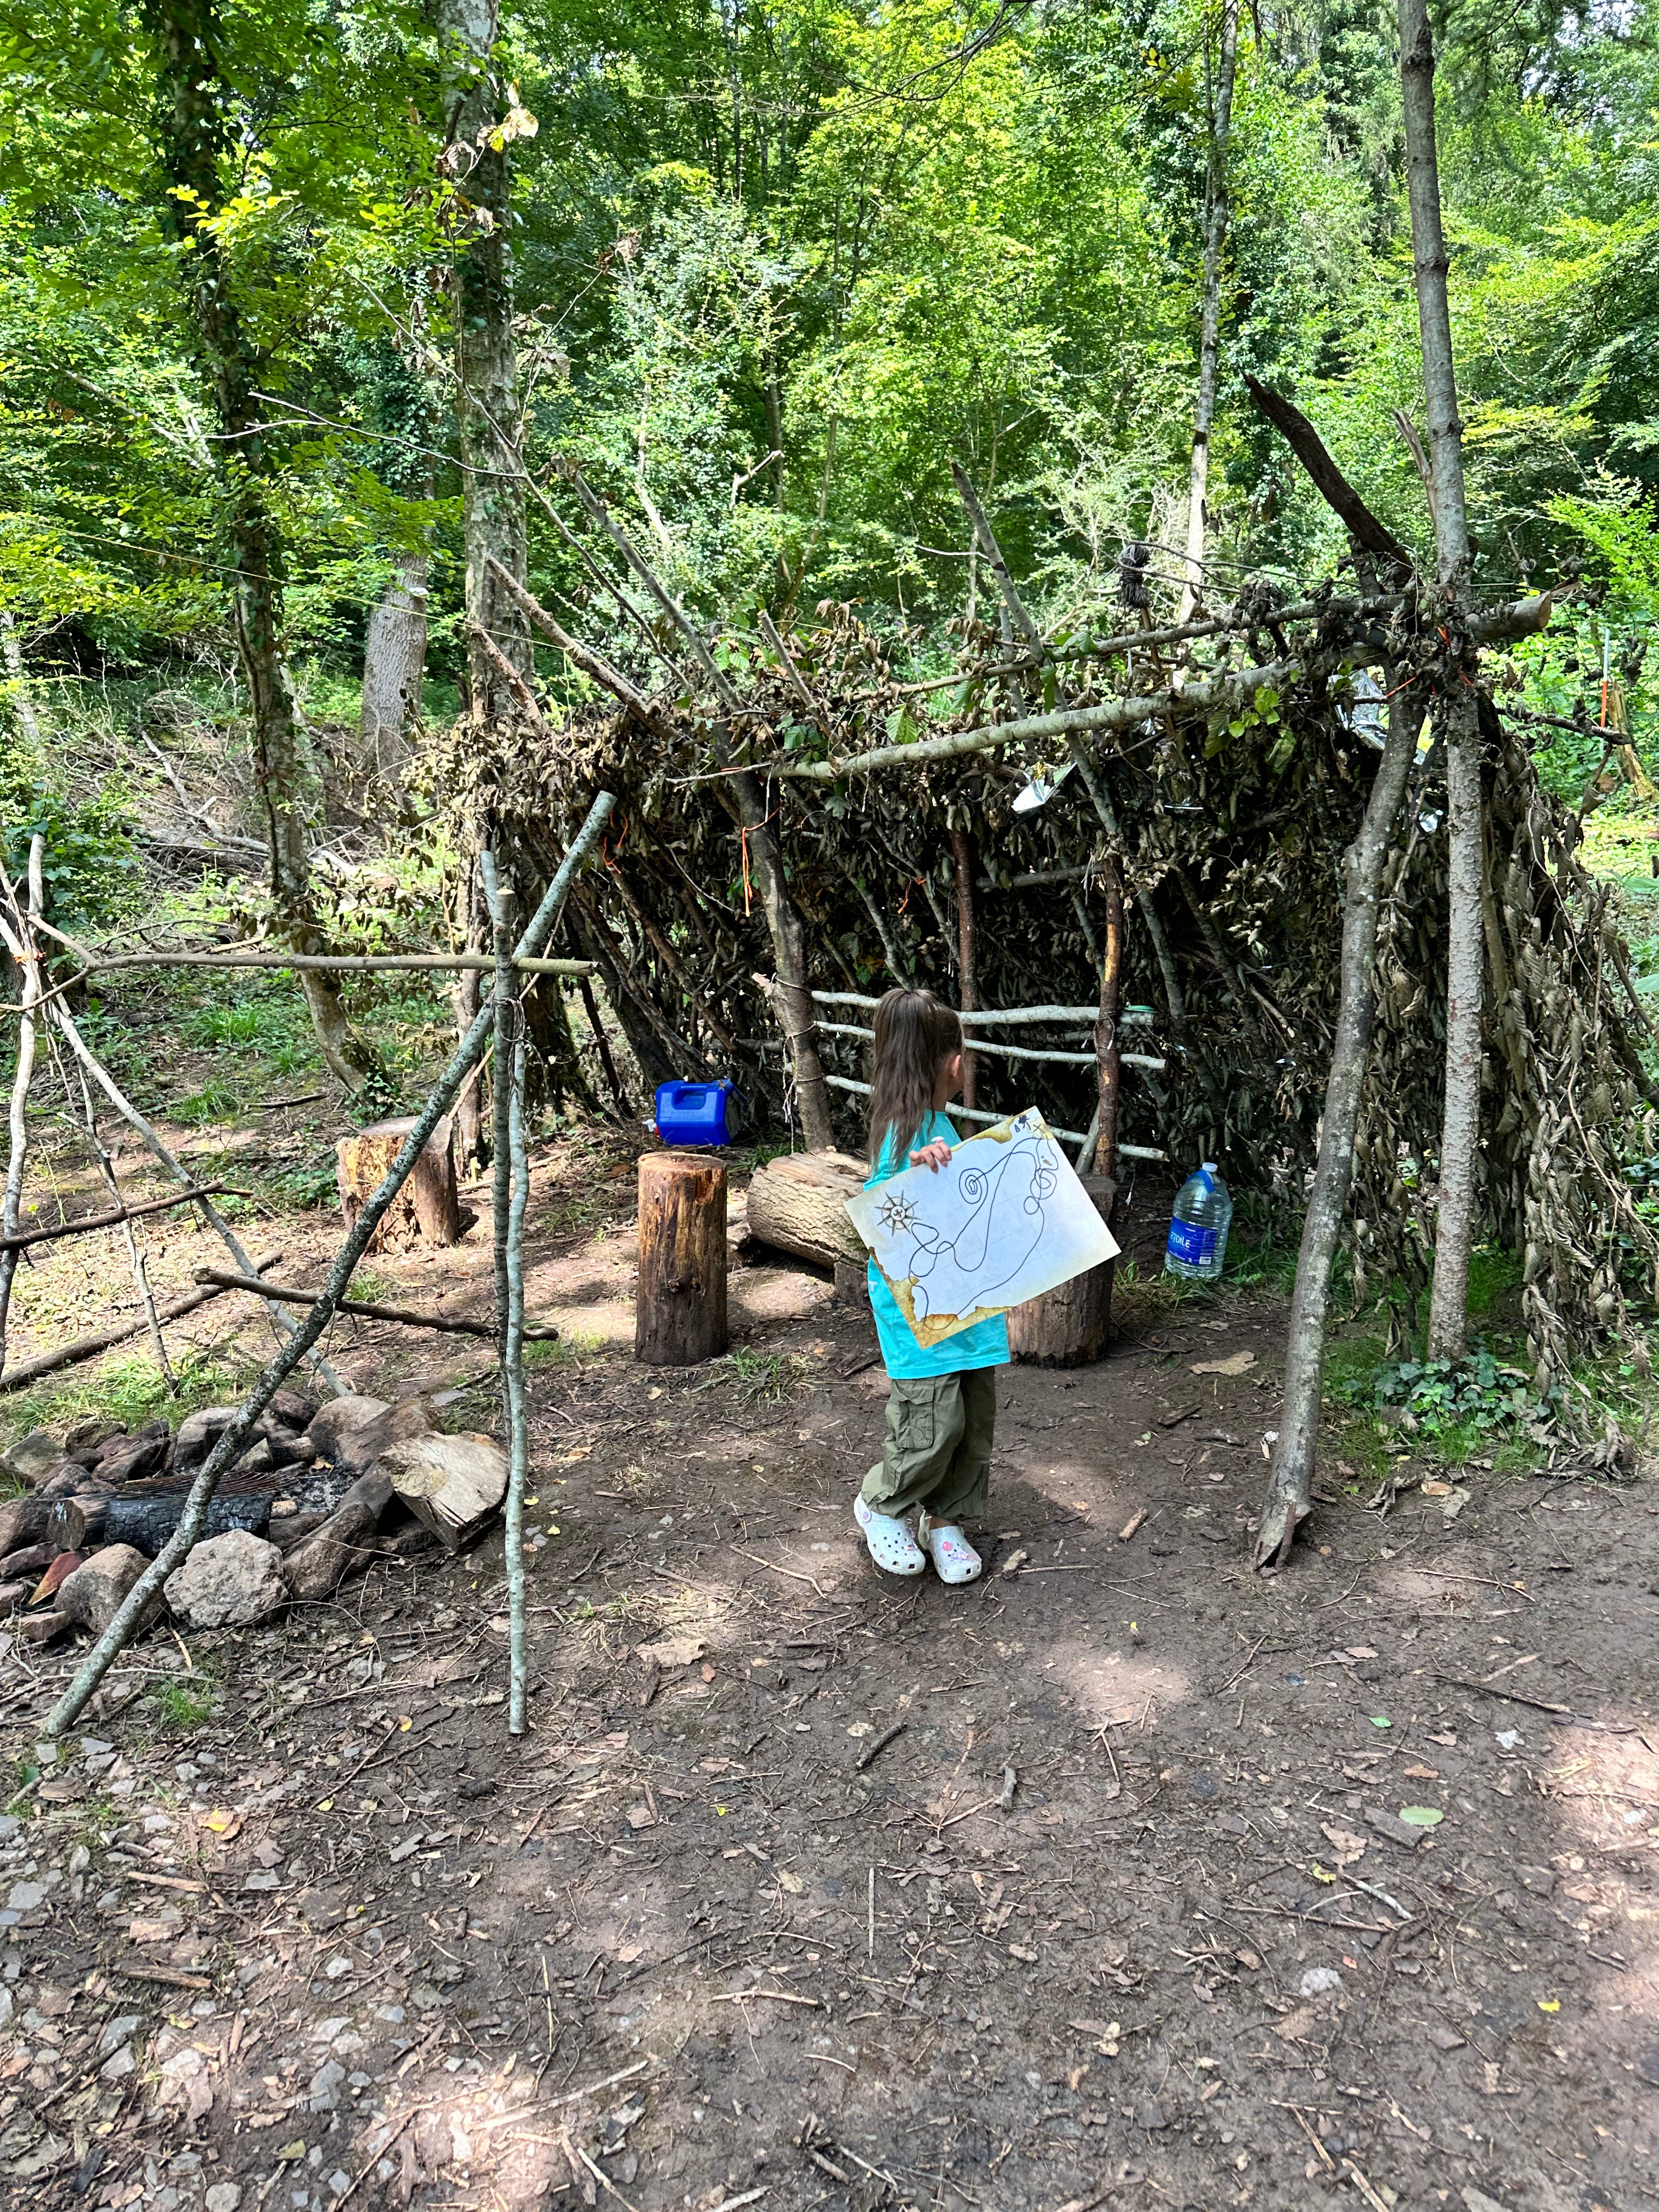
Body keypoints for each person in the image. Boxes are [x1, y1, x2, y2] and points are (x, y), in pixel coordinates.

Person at [853, 987, 1006, 1584]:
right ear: (949, 1062)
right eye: (962, 1053)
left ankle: (946, 1520)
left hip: (962, 1302)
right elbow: (879, 1213)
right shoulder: (899, 1132)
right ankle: (881, 1504)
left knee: (973, 1416)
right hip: (916, 1309)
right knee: (932, 1421)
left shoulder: (939, 1121)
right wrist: (916, 1175)